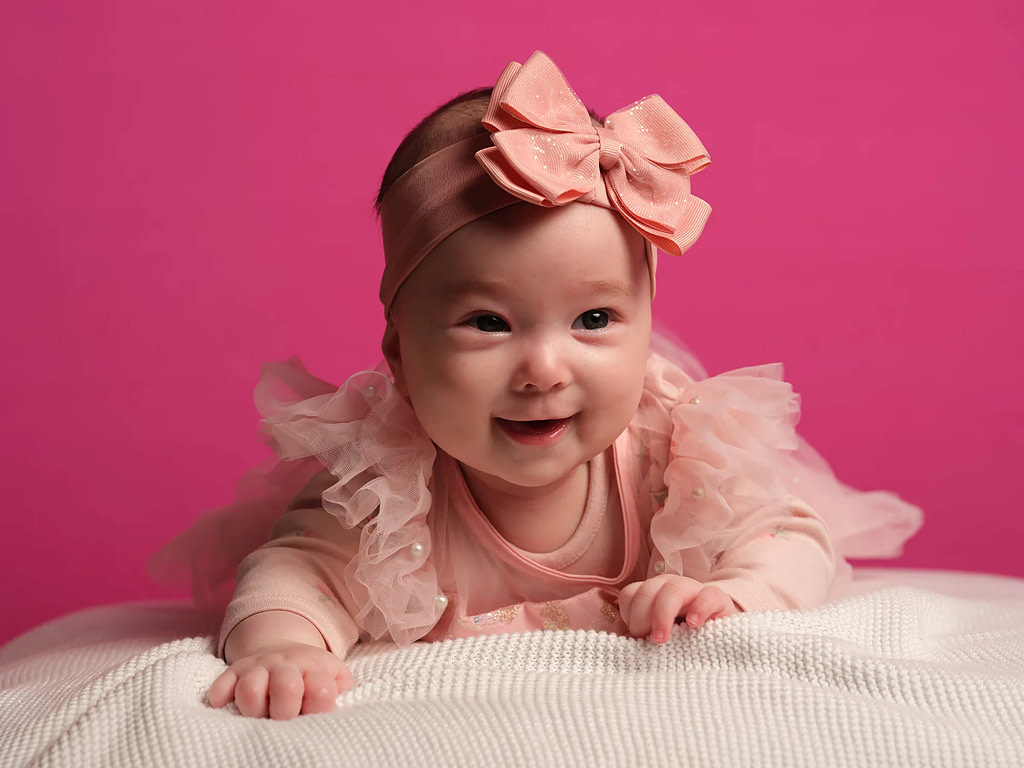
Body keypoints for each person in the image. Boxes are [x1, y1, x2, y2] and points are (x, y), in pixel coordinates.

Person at [149, 51, 922, 720]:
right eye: (488, 323)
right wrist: (284, 646)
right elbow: (293, 572)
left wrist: (735, 595)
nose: (545, 370)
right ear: (401, 356)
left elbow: (790, 536)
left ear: (647, 325)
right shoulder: (388, 491)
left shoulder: (672, 452)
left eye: (593, 318)